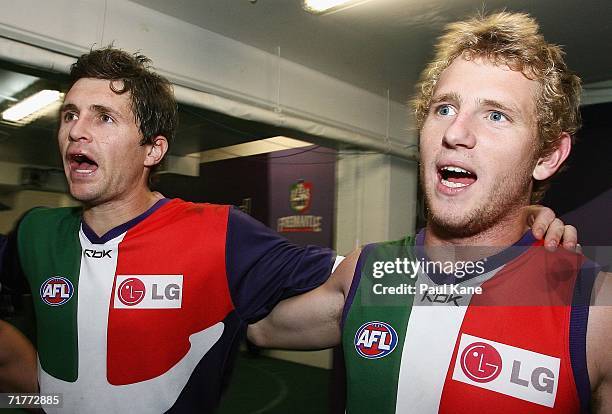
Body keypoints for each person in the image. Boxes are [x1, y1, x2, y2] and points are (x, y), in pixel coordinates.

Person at [0, 46, 578, 413]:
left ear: (155, 148)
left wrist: (516, 226)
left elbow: (346, 283)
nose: (77, 132)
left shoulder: (220, 234)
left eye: (103, 117)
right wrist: (38, 386)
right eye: (69, 115)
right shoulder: (34, 231)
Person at [248, 12, 611, 413]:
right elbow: (258, 330)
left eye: (495, 115)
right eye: (443, 109)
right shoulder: (372, 272)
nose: (455, 133)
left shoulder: (596, 312)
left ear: (546, 156)